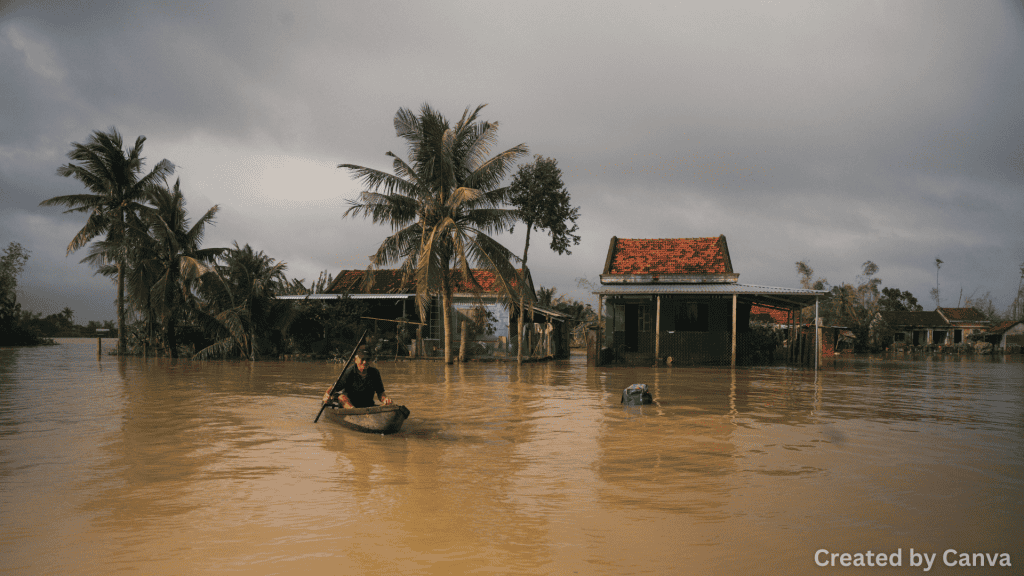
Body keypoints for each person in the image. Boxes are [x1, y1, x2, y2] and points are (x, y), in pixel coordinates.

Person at [322, 351, 392, 409]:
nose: (365, 362)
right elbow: (333, 389)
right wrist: (326, 396)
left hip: (368, 405)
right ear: (356, 360)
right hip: (349, 406)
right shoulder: (349, 372)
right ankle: (354, 411)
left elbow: (380, 393)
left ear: (370, 361)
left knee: (390, 404)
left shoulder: (375, 373)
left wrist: (385, 399)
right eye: (362, 359)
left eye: (367, 359)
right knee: (341, 397)